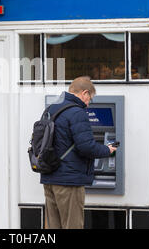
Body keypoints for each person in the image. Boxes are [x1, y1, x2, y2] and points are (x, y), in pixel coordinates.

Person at [41, 76, 117, 229]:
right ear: (85, 93)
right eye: (90, 99)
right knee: (72, 225)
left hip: (49, 178)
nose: (88, 104)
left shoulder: (51, 109)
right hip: (69, 182)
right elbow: (86, 147)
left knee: (53, 226)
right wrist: (107, 150)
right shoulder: (77, 112)